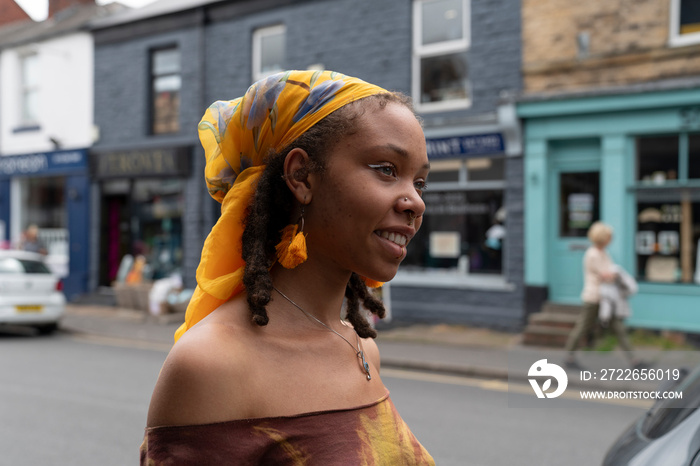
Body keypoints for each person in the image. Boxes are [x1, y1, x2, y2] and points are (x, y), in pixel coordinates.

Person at [140, 70, 435, 465]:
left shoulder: (361, 348)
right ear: (301, 176)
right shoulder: (212, 365)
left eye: (420, 183)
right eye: (386, 169)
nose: (415, 202)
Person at [564, 221, 641, 369]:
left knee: (618, 328)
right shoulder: (593, 254)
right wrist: (617, 274)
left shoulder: (603, 252)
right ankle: (569, 356)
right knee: (582, 327)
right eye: (609, 237)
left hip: (607, 298)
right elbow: (606, 275)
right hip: (594, 297)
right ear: (603, 238)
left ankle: (634, 361)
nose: (611, 239)